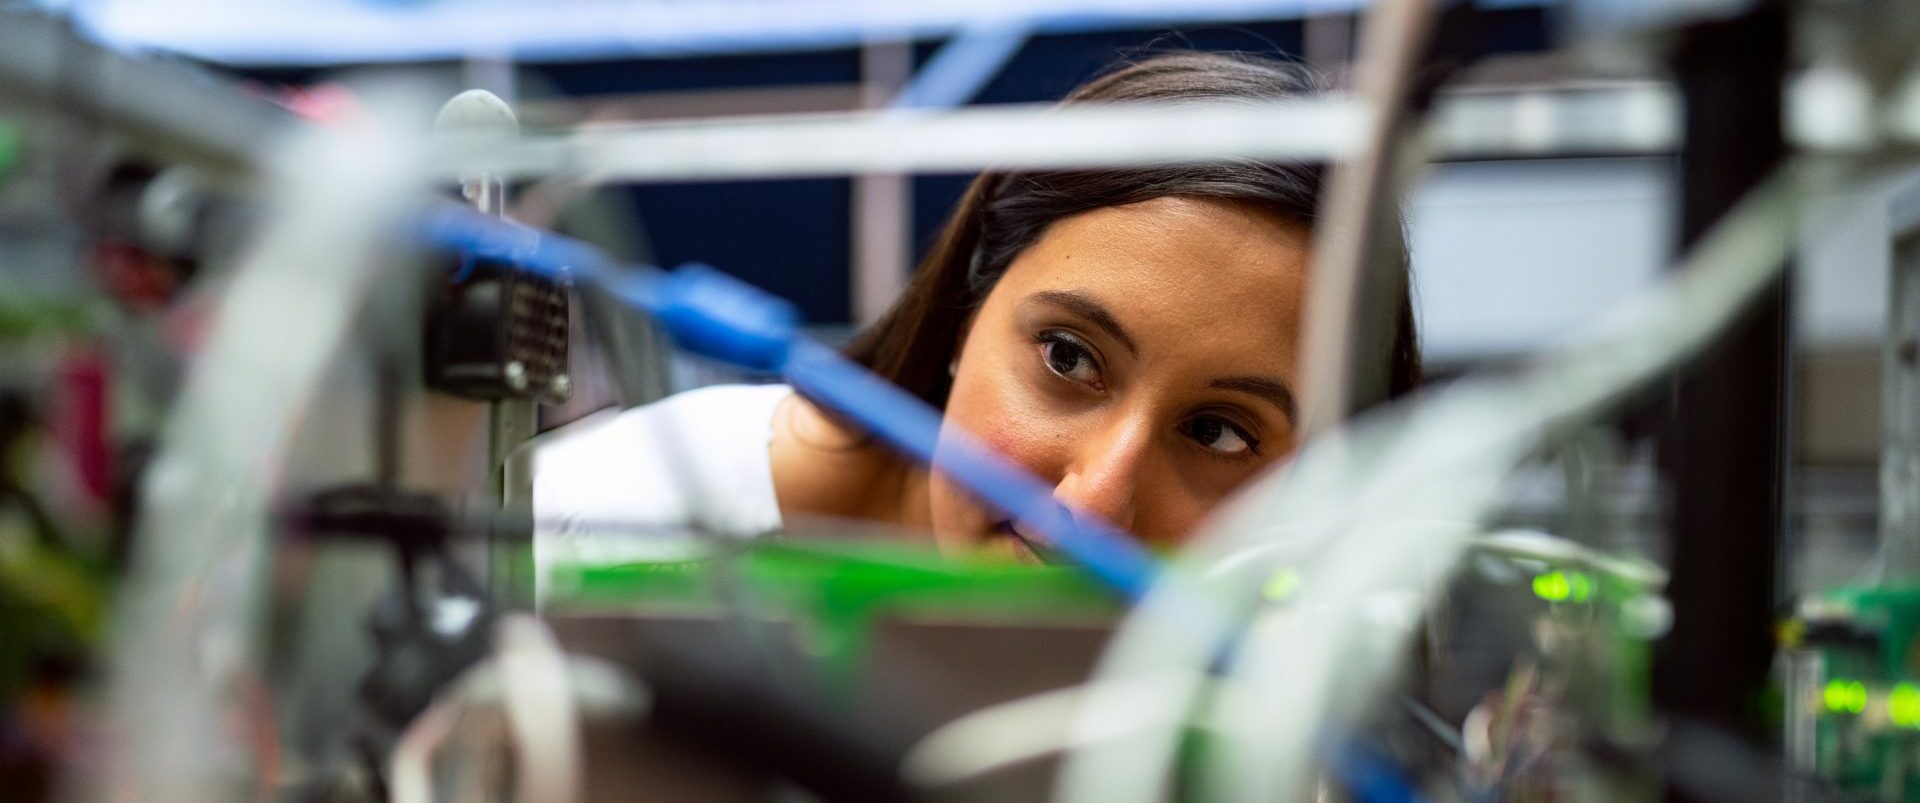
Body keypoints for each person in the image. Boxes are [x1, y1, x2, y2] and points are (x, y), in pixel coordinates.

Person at [534, 50, 1420, 572]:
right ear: (967, 311)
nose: (1091, 505)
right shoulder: (595, 531)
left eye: (1219, 432)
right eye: (1069, 359)